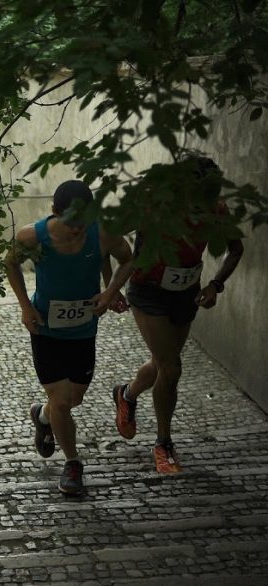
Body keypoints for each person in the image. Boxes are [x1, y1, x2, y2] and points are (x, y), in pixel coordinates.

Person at [111, 157, 244, 474]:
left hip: (186, 293)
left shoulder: (216, 210)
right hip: (149, 292)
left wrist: (215, 284)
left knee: (162, 363)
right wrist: (110, 286)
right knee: (171, 369)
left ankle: (126, 395)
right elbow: (110, 235)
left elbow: (236, 248)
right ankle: (163, 444)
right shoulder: (154, 206)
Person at [5, 180, 133, 496]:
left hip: (83, 330)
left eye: (82, 223)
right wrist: (24, 306)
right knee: (62, 400)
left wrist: (110, 292)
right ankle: (73, 463)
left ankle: (42, 416)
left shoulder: (102, 232)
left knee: (72, 399)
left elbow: (128, 258)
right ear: (54, 212)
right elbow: (10, 263)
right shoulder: (33, 236)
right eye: (70, 223)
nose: (77, 231)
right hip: (46, 328)